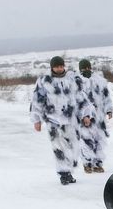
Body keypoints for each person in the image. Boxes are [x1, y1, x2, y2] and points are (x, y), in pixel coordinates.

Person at [29, 56, 93, 185]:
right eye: (56, 66)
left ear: (64, 66)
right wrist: (36, 120)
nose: (59, 68)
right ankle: (64, 174)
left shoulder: (73, 80)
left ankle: (68, 170)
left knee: (72, 147)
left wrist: (86, 115)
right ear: (52, 67)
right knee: (58, 148)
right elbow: (37, 101)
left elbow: (82, 98)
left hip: (71, 120)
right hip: (53, 120)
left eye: (61, 66)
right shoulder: (44, 81)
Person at [76, 59, 113, 173]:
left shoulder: (99, 81)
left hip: (99, 116)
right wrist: (83, 115)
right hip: (85, 117)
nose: (86, 70)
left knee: (99, 140)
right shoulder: (76, 82)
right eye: (83, 68)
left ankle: (97, 163)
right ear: (80, 69)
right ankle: (87, 163)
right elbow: (76, 100)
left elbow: (106, 96)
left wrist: (109, 110)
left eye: (88, 68)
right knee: (87, 140)